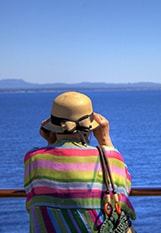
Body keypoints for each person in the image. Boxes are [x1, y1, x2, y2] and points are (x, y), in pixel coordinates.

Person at [24, 91, 136, 233]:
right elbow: (125, 187)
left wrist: (51, 143)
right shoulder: (110, 158)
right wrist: (105, 140)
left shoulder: (32, 159)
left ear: (51, 126)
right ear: (91, 127)